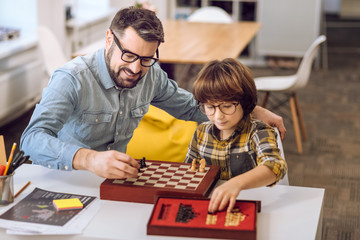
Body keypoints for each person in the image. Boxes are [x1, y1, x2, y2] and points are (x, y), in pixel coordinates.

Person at [20, 7, 285, 180]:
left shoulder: (151, 74)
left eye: (147, 58)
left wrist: (251, 110)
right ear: (109, 39)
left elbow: (193, 108)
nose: (136, 68)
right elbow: (31, 139)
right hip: (65, 179)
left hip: (115, 181)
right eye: (129, 55)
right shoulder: (72, 79)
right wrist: (88, 158)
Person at [184, 58, 288, 213]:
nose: (218, 116)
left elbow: (275, 166)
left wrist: (236, 183)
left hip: (252, 205)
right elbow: (188, 171)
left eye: (227, 106)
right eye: (210, 107)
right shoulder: (201, 132)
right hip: (213, 206)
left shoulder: (258, 132)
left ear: (245, 103)